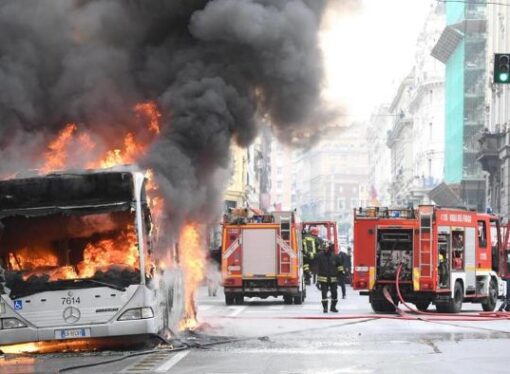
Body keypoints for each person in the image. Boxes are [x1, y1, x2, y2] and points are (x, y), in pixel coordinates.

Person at [316, 240, 343, 313]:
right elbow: (316, 267)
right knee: (324, 295)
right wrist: (317, 281)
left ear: (330, 248)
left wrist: (340, 274)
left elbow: (339, 266)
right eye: (324, 248)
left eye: (327, 248)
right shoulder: (319, 256)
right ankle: (325, 308)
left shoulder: (335, 256)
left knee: (334, 294)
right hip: (323, 279)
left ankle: (333, 307)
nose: (325, 249)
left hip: (333, 279)